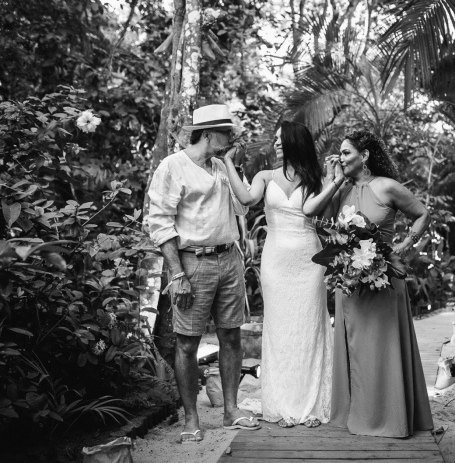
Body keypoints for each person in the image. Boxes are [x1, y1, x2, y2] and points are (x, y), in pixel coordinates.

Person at [302, 129, 434, 438]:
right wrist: (331, 176)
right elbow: (315, 217)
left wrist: (404, 246)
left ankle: (392, 417)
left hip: (384, 281)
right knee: (356, 348)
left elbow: (422, 214)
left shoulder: (386, 187)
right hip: (350, 282)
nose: (341, 157)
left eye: (346, 153)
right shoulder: (339, 188)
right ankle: (357, 414)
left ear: (365, 156)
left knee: (384, 349)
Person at [147, 104, 261, 444]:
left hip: (229, 260)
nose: (230, 139)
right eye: (226, 133)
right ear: (208, 133)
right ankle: (191, 420)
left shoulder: (221, 166)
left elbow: (243, 206)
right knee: (187, 343)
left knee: (231, 336)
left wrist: (231, 165)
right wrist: (177, 273)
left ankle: (230, 411)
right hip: (192, 262)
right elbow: (160, 222)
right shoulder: (173, 166)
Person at [223, 120, 333, 428]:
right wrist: (228, 161)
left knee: (309, 328)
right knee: (280, 332)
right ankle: (282, 405)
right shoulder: (264, 176)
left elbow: (321, 215)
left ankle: (310, 405)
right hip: (275, 263)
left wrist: (333, 181)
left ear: (294, 141)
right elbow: (246, 200)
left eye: (280, 138)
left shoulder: (316, 179)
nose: (276, 143)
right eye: (275, 139)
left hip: (309, 260)